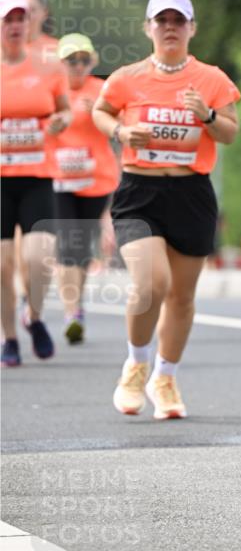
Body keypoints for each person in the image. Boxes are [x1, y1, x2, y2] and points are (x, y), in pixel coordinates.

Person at [92, 0, 240, 419]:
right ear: (148, 28)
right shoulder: (126, 77)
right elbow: (100, 111)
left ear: (192, 28)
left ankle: (166, 376)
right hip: (140, 192)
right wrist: (120, 132)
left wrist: (208, 116)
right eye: (162, 20)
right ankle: (136, 364)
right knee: (150, 283)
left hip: (191, 193)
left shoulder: (211, 79)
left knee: (181, 296)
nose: (170, 27)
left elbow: (230, 132)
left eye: (179, 21)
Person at [1, 0, 71, 366]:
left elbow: (65, 112)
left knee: (39, 258)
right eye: (8, 20)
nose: (15, 26)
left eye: (21, 19)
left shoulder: (48, 65)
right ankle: (9, 337)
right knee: (2, 264)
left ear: (30, 24)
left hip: (38, 175)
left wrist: (61, 122)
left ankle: (35, 316)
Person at [53, 33, 120, 343]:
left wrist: (101, 113)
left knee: (82, 248)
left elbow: (121, 123)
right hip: (58, 180)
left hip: (96, 180)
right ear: (60, 63)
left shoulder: (102, 90)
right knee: (67, 244)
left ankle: (76, 306)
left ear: (92, 61)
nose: (77, 66)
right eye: (71, 60)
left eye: (83, 60)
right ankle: (71, 313)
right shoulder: (51, 90)